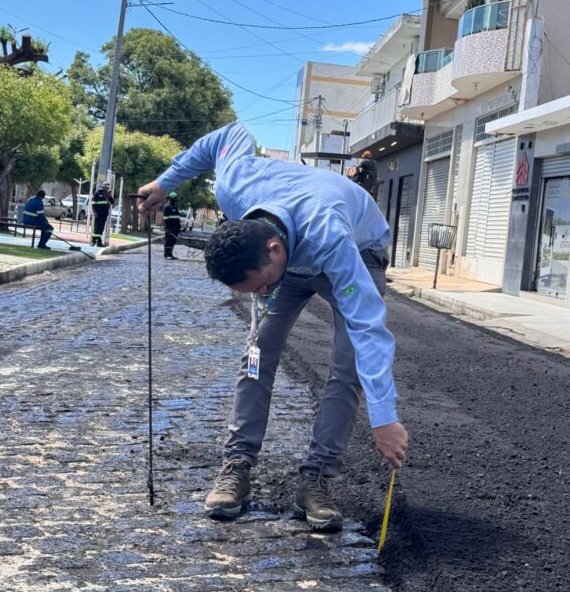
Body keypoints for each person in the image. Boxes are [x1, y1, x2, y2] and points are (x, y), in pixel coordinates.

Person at [138, 122, 408, 532]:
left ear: (273, 250)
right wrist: (165, 180)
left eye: (262, 287)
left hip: (357, 248)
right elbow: (227, 135)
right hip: (290, 250)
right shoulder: (233, 188)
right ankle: (237, 465)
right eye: (251, 292)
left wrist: (384, 416)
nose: (261, 295)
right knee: (256, 353)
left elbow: (367, 325)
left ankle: (315, 478)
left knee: (348, 365)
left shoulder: (330, 236)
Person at [91, 182, 114, 247]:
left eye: (108, 188)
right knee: (97, 227)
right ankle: (93, 241)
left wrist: (110, 196)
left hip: (104, 214)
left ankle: (99, 241)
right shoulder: (97, 193)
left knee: (101, 228)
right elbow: (93, 203)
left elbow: (112, 202)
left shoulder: (107, 194)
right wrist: (94, 212)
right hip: (98, 213)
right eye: (106, 187)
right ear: (103, 187)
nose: (107, 189)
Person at [162, 191, 182, 260]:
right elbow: (165, 219)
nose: (176, 200)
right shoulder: (167, 207)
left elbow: (177, 217)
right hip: (170, 228)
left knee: (173, 241)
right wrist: (168, 229)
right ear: (171, 198)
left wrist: (179, 227)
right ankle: (166, 254)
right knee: (168, 241)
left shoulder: (175, 206)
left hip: (175, 228)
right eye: (175, 198)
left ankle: (170, 254)